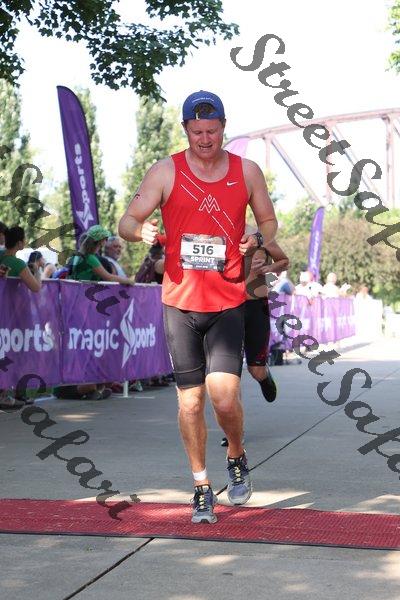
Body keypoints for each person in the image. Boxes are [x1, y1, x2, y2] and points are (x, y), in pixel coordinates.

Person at [119, 90, 277, 524]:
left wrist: (258, 238)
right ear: (185, 129)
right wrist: (139, 231)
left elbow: (268, 221)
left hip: (228, 300)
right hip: (180, 303)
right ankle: (202, 487)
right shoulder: (166, 171)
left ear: (223, 127)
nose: (205, 139)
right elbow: (127, 221)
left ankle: (237, 456)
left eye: (212, 131)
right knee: (190, 403)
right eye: (197, 132)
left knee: (224, 400)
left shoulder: (246, 171)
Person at [220, 235, 289, 447]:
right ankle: (235, 431)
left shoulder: (262, 238)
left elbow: (284, 261)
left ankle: (264, 376)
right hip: (227, 308)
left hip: (256, 306)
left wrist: (269, 268)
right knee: (230, 376)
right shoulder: (219, 234)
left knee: (255, 370)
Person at [66, 224, 134, 400]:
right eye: (105, 240)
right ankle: (85, 386)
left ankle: (93, 386)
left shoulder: (77, 257)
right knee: (91, 344)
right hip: (88, 306)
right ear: (101, 241)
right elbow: (108, 277)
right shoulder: (90, 258)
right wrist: (127, 281)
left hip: (77, 305)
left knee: (84, 343)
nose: (105, 242)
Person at [0, 226, 41, 409]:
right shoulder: (17, 264)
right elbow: (36, 287)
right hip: (12, 317)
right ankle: (10, 393)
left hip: (5, 314)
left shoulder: (2, 257)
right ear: (19, 243)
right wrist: (37, 270)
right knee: (14, 353)